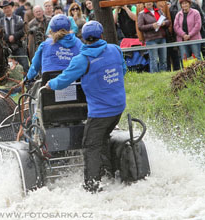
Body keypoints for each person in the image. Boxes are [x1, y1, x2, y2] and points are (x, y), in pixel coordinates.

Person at [45, 21, 127, 193]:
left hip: (100, 113)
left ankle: (92, 186)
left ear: (83, 38)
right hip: (118, 107)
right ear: (101, 35)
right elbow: (123, 70)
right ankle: (108, 173)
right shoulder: (115, 49)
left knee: (90, 145)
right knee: (102, 138)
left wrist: (49, 85)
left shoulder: (82, 59)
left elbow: (63, 81)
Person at [27, 14, 83, 80]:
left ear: (51, 28)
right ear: (69, 27)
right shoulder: (79, 43)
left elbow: (35, 65)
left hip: (49, 87)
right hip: (75, 85)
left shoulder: (45, 44)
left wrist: (28, 78)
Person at [137, 2, 171, 73]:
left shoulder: (159, 11)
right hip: (151, 39)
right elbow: (140, 27)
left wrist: (164, 23)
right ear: (144, 4)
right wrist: (152, 26)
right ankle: (154, 75)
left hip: (162, 37)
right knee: (154, 60)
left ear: (153, 2)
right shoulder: (141, 14)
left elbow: (168, 21)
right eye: (146, 2)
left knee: (163, 59)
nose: (148, 3)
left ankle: (163, 74)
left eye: (150, 1)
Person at [0, 0, 29, 72]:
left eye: (8, 7)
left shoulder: (18, 18)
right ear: (3, 10)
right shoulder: (0, 21)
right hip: (6, 47)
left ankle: (27, 81)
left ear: (12, 7)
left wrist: (14, 36)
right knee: (8, 67)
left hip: (18, 45)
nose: (7, 9)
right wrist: (7, 37)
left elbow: (22, 30)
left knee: (25, 65)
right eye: (5, 8)